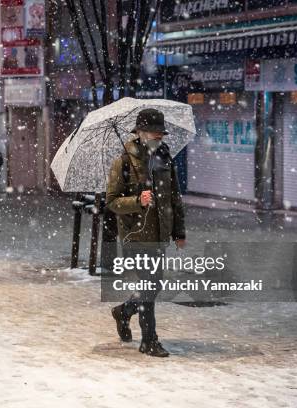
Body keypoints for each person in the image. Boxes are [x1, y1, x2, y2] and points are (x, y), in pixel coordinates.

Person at [106, 108, 186, 358]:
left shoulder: (164, 158)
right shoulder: (124, 162)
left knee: (154, 284)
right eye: (154, 132)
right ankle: (149, 340)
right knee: (149, 285)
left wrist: (178, 231)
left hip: (159, 235)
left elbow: (174, 197)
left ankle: (124, 311)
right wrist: (136, 201)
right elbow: (112, 201)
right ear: (140, 132)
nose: (159, 136)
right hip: (135, 236)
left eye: (161, 132)